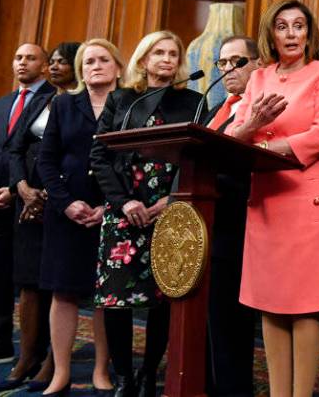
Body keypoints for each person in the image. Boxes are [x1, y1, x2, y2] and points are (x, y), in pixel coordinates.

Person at [227, 0, 319, 397]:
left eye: (298, 26)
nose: (291, 34)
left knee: (305, 302)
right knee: (269, 300)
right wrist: (255, 125)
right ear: (271, 35)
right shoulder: (258, 80)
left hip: (307, 195)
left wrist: (264, 146)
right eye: (282, 26)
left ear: (309, 34)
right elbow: (234, 135)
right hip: (267, 198)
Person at [90, 31, 203, 397]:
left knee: (164, 297)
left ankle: (149, 373)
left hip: (169, 210)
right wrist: (124, 202)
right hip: (124, 209)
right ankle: (123, 375)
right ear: (143, 59)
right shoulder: (121, 99)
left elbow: (198, 160)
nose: (167, 59)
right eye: (159, 52)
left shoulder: (194, 101)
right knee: (117, 299)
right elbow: (99, 156)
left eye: (173, 53)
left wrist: (170, 202)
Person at [38, 39, 122, 396]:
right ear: (80, 69)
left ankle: (102, 369)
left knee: (105, 294)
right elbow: (46, 160)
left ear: (117, 66)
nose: (95, 66)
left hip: (111, 209)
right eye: (88, 61)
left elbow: (130, 161)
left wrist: (110, 205)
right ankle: (61, 372)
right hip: (67, 211)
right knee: (64, 292)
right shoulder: (63, 104)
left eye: (103, 60)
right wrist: (65, 203)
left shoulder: (129, 104)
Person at [2, 42, 81, 391]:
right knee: (28, 281)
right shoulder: (40, 99)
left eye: (65, 62)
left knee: (57, 281)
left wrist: (51, 192)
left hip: (61, 199)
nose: (57, 67)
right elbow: (15, 147)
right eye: (56, 62)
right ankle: (27, 355)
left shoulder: (82, 102)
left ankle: (53, 359)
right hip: (28, 200)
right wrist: (21, 187)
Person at [0, 44, 52, 368]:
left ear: (46, 66)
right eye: (18, 57)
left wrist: (13, 190)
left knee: (28, 280)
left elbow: (40, 155)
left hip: (29, 200)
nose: (22, 62)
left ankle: (33, 351)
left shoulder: (55, 99)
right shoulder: (1, 104)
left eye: (31, 57)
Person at [203, 35, 261, 397]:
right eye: (223, 63)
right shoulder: (213, 109)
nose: (228, 70)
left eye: (237, 61)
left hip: (239, 224)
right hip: (205, 224)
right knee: (207, 321)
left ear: (257, 63)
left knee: (230, 323)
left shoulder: (260, 108)